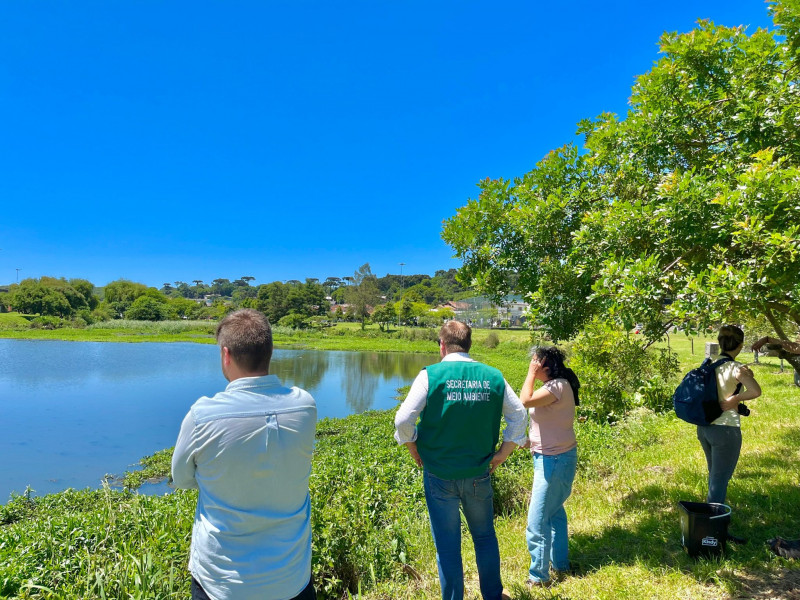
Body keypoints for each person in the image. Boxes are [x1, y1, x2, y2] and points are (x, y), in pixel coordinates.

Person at [172, 309, 317, 600]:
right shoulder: (305, 405)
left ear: (226, 355)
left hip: (221, 584)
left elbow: (181, 479)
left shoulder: (202, 415)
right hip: (291, 577)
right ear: (270, 351)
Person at [394, 320, 527, 600]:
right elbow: (519, 414)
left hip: (439, 475)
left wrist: (412, 446)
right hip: (479, 472)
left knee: (447, 544)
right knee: (484, 536)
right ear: (469, 345)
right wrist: (504, 452)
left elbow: (404, 419)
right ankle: (493, 595)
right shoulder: (493, 375)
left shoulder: (431, 375)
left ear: (442, 346)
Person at [518, 346, 580, 588]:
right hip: (553, 457)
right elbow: (552, 422)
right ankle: (560, 564)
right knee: (554, 514)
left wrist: (531, 375)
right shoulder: (555, 387)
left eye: (535, 362)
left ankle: (539, 577)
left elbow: (525, 400)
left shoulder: (557, 386)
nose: (531, 365)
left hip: (554, 461)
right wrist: (529, 441)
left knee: (537, 521)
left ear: (546, 366)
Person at [697, 325, 761, 539]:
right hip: (726, 431)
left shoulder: (710, 365)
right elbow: (756, 391)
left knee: (715, 477)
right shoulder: (737, 368)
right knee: (719, 481)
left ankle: (711, 525)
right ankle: (713, 533)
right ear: (740, 345)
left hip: (705, 428)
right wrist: (735, 399)